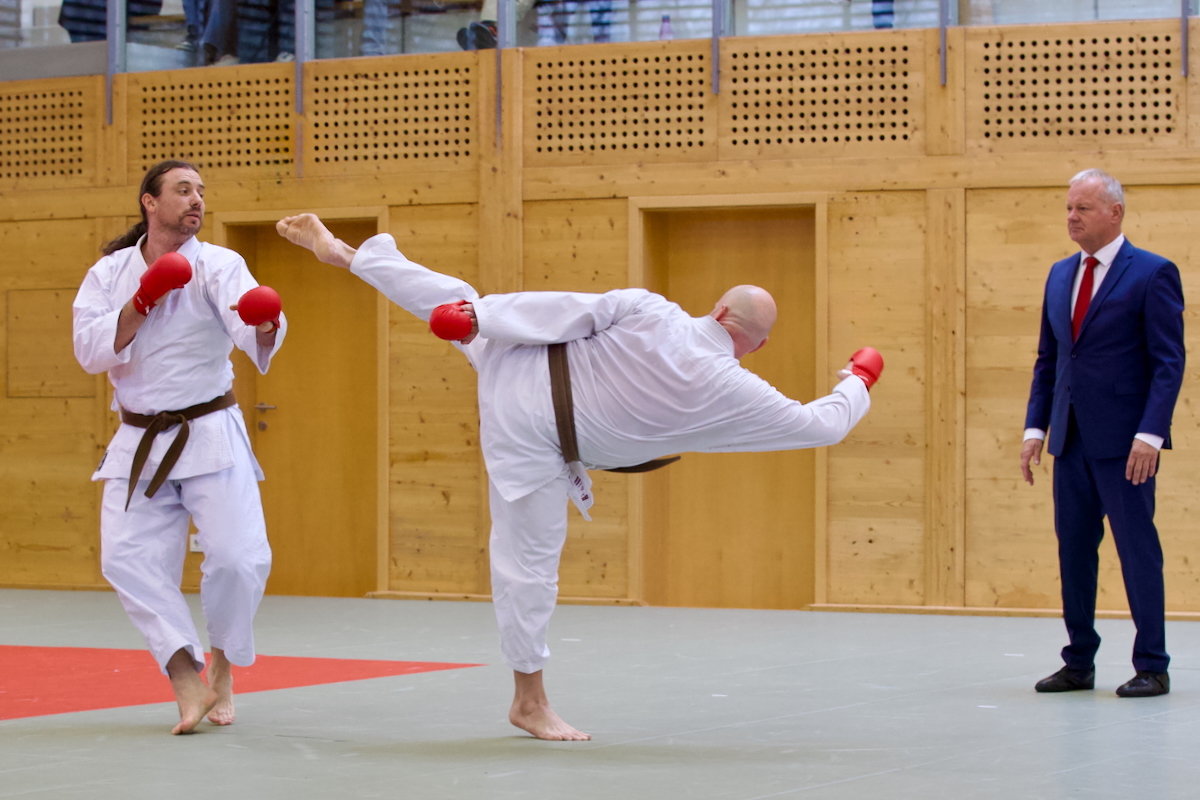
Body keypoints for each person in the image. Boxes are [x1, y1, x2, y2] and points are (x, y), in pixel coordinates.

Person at [275, 212, 878, 740]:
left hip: (520, 367)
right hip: (537, 444)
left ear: (718, 310)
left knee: (457, 295)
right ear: (758, 346)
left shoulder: (650, 308)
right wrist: (858, 378)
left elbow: (562, 310)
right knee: (529, 566)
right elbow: (821, 425)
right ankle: (528, 702)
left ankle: (354, 257)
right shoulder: (734, 387)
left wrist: (478, 317)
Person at [72, 160, 287, 734]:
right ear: (150, 201)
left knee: (240, 559)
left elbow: (247, 326)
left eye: (201, 192)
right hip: (139, 437)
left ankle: (223, 665)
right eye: (183, 190)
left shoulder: (219, 264)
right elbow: (90, 351)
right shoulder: (109, 273)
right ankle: (186, 676)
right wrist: (142, 300)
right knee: (125, 559)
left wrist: (265, 323)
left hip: (209, 429)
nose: (196, 200)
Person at [1021, 169, 1185, 698]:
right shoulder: (1059, 275)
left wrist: (1151, 435)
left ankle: (1152, 665)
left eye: (1083, 208)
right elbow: (1049, 360)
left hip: (1127, 445)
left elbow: (1168, 363)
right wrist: (1035, 428)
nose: (1072, 217)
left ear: (1115, 213)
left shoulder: (1153, 273)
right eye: (1069, 208)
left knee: (1137, 551)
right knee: (1073, 551)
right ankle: (1078, 662)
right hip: (1070, 441)